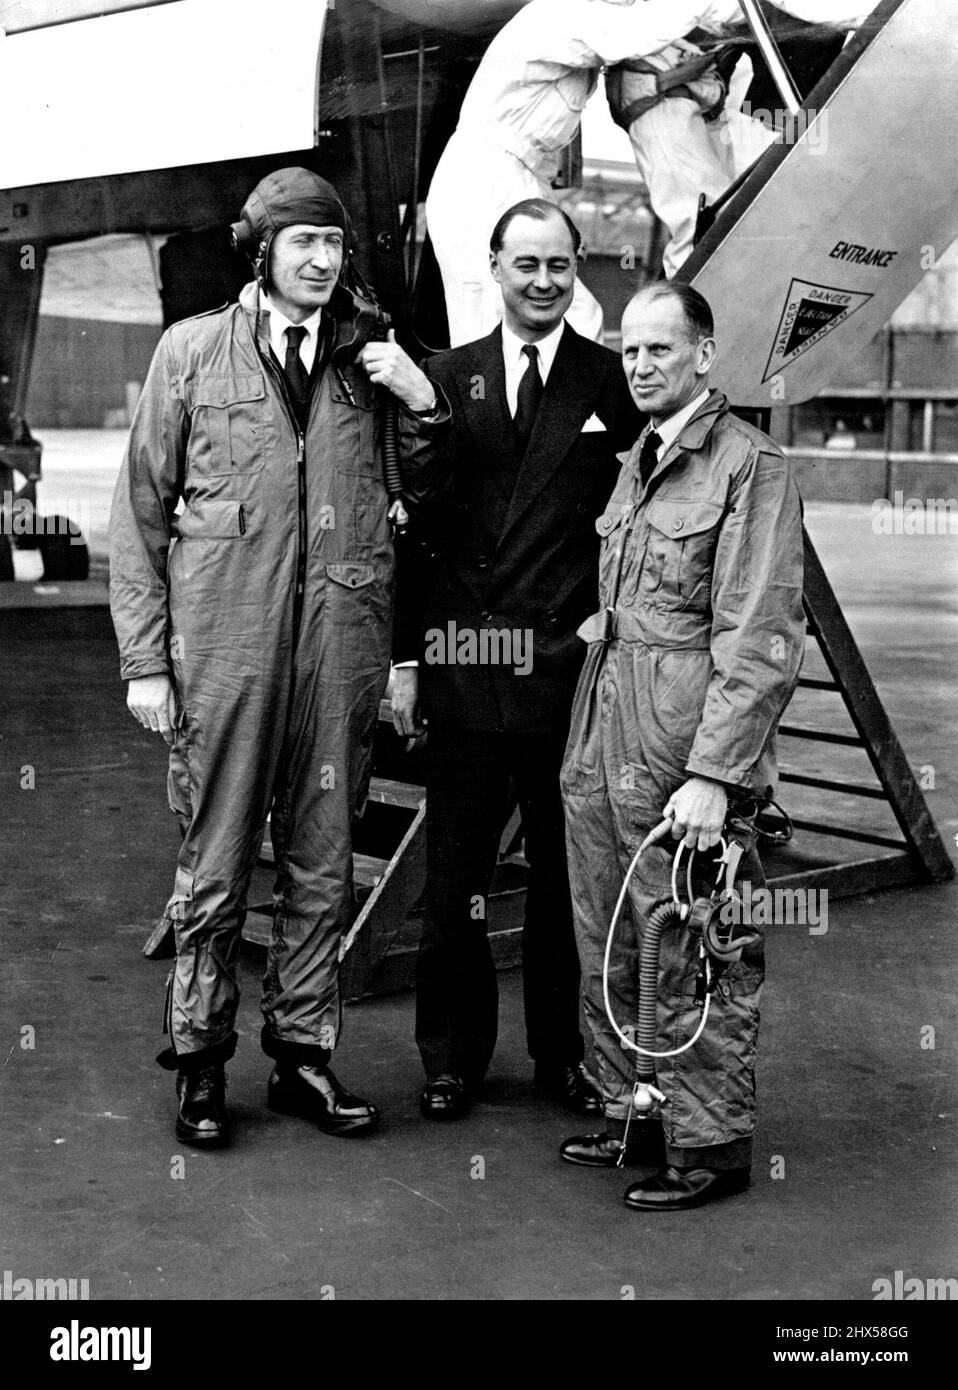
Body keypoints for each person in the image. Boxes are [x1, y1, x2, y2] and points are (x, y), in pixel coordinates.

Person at [109, 168, 448, 1148]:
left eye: (334, 245)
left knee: (321, 860)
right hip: (224, 647)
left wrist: (421, 402)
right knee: (213, 867)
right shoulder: (193, 353)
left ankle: (302, 1054)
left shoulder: (364, 361)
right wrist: (146, 662)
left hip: (338, 647)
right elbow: (137, 519)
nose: (320, 260)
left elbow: (424, 496)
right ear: (263, 251)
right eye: (302, 243)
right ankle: (202, 1062)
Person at [391, 198, 641, 1120]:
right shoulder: (443, 380)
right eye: (525, 263)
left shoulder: (612, 381)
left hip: (564, 676)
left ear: (577, 273)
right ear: (493, 269)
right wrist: (405, 662)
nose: (542, 281)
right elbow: (412, 536)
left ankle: (561, 1056)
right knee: (453, 881)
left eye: (559, 266)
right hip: (463, 664)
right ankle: (451, 1060)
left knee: (560, 880)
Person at [559, 281, 805, 1209]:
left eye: (661, 350)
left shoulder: (750, 465)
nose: (642, 365)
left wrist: (715, 774)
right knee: (611, 923)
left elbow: (760, 633)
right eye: (630, 351)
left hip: (684, 744)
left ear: (704, 354)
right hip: (606, 723)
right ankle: (635, 1105)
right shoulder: (639, 459)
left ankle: (709, 1143)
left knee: (695, 931)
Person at [425, 0, 718, 346]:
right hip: (481, 182)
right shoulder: (559, 13)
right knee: (503, 333)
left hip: (509, 180)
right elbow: (632, 34)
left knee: (567, 323)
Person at [609, 0, 880, 276]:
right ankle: (687, 308)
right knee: (704, 223)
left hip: (700, 92)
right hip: (659, 94)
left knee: (725, 217)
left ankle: (688, 300)